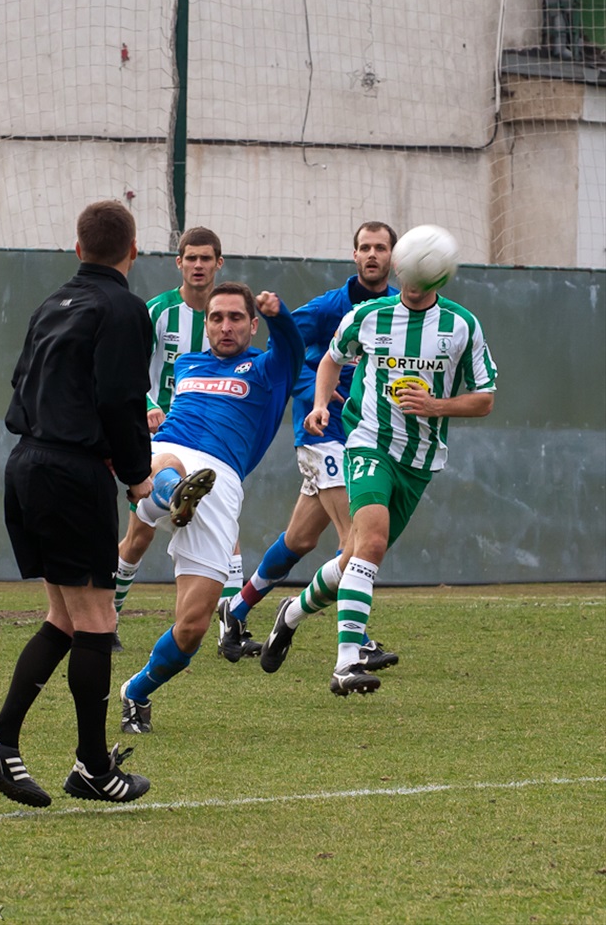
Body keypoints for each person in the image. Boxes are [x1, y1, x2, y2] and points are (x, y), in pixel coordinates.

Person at [0, 200, 156, 807]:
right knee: (98, 622)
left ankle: (1, 740)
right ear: (133, 250)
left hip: (26, 464)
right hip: (73, 475)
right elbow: (121, 399)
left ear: (77, 250)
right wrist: (137, 476)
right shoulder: (124, 307)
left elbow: (26, 384)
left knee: (65, 619)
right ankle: (94, 767)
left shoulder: (52, 302)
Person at [259, 264, 497, 695]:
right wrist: (319, 404)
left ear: (438, 277)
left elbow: (484, 400)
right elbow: (331, 359)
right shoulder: (368, 315)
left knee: (355, 558)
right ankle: (347, 663)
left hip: (419, 460)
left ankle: (291, 613)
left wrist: (435, 405)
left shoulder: (461, 324)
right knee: (368, 544)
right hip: (367, 443)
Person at [119, 282, 304, 734]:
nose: (225, 325)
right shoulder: (187, 363)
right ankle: (167, 492)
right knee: (163, 460)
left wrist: (280, 314)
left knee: (192, 630)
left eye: (236, 317)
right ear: (206, 324)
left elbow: (293, 349)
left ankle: (135, 692)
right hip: (171, 453)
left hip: (218, 483)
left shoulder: (266, 369)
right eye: (216, 317)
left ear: (253, 325)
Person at [218, 221, 399, 669]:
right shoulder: (327, 308)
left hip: (366, 436)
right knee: (353, 541)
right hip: (326, 435)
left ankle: (235, 610)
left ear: (392, 257)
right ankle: (355, 641)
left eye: (380, 247)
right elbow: (283, 354)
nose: (372, 254)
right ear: (353, 256)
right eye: (364, 247)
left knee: (298, 539)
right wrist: (314, 389)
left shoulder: (398, 311)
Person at [112, 228, 260, 656]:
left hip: (212, 443)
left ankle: (232, 631)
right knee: (138, 537)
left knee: (226, 532)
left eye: (206, 258)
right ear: (178, 263)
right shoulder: (157, 312)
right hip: (159, 438)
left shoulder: (231, 320)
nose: (198, 265)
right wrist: (148, 405)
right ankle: (110, 619)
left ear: (219, 263)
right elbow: (127, 368)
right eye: (190, 258)